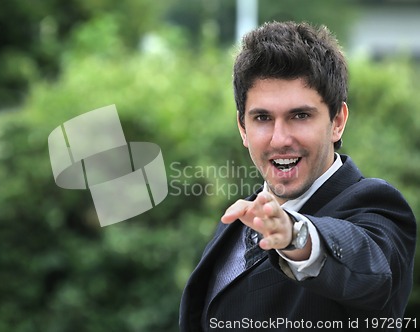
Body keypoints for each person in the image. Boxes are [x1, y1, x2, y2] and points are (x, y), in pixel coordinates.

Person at [179, 21, 417, 332]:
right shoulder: (242, 219)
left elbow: (372, 265)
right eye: (262, 118)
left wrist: (296, 236)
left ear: (337, 122)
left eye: (300, 116)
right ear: (242, 128)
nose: (279, 139)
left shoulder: (376, 207)